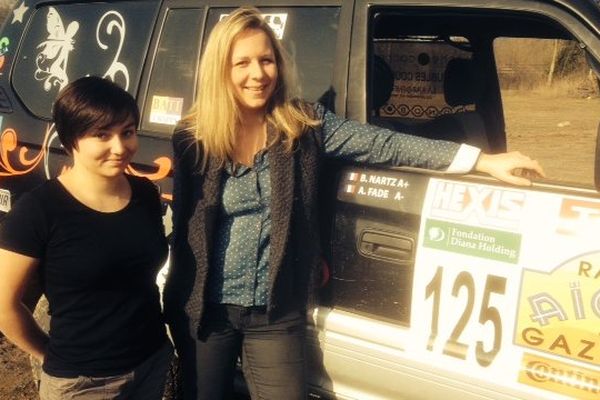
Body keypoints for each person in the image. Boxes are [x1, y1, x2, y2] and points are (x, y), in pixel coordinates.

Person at [164, 7, 544, 400]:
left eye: (266, 59)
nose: (258, 74)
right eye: (241, 63)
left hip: (275, 312)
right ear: (219, 71)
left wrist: (480, 160)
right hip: (207, 311)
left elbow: (384, 144)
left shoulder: (303, 125)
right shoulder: (195, 137)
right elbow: (187, 230)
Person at [0, 76, 172, 400]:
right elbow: (4, 305)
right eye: (101, 135)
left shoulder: (145, 195)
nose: (120, 147)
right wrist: (49, 356)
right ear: (71, 139)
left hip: (150, 362)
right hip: (82, 383)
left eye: (128, 132)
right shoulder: (39, 211)